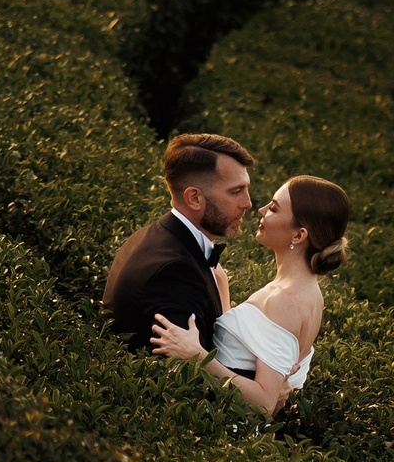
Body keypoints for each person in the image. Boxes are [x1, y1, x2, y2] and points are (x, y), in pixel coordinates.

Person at [150, 175, 350, 418]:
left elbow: (263, 404)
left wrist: (196, 355)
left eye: (274, 208)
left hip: (225, 434)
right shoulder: (309, 291)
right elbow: (247, 355)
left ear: (299, 236)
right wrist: (221, 287)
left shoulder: (285, 300)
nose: (261, 210)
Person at [103, 132, 256, 353]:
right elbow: (189, 376)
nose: (248, 203)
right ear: (194, 198)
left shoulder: (147, 237)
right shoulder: (174, 272)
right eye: (236, 191)